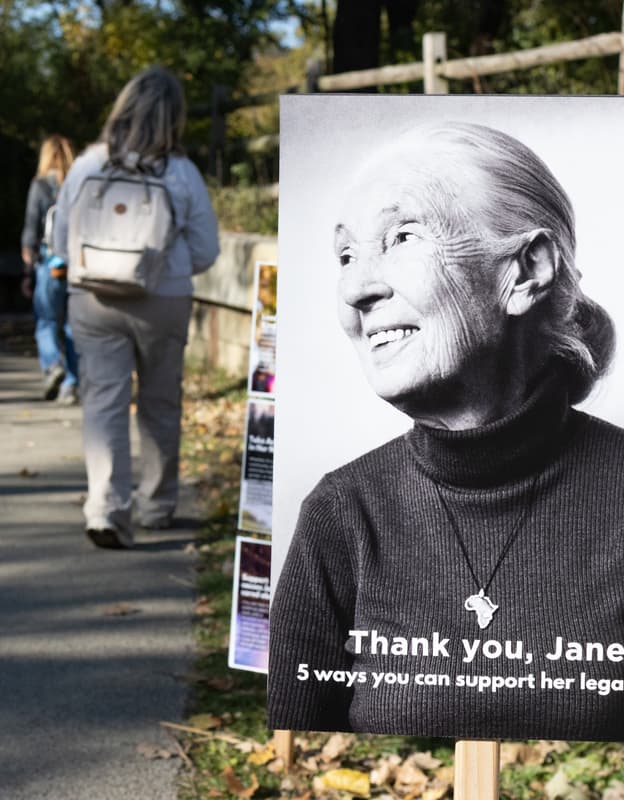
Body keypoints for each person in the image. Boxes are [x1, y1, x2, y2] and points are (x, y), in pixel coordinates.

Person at [267, 121, 624, 741]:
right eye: (346, 254)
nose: (355, 287)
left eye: (401, 237)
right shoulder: (340, 513)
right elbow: (292, 761)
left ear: (526, 270)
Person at [53, 66, 220, 549]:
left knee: (103, 403)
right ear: (175, 118)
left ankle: (105, 508)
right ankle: (157, 505)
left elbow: (61, 240)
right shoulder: (182, 172)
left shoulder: (87, 164)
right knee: (159, 403)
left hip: (93, 298)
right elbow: (207, 251)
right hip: (162, 298)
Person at [21, 134, 79, 403]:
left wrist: (27, 270)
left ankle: (53, 364)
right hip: (78, 264)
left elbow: (31, 230)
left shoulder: (40, 186)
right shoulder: (79, 183)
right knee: (71, 326)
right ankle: (71, 385)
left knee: (45, 321)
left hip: (49, 263)